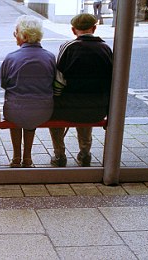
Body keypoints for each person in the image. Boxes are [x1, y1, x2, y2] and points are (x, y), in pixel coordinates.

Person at [50, 13, 113, 167]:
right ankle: (85, 153)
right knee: (86, 110)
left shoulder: (68, 47)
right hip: (97, 109)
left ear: (73, 30)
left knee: (52, 113)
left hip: (68, 107)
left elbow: (59, 80)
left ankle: (59, 155)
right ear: (94, 28)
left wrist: (56, 98)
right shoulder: (106, 49)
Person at [0, 15, 56, 168]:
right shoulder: (50, 57)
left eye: (16, 31)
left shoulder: (11, 58)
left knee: (18, 115)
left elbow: (4, 83)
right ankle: (28, 157)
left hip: (15, 110)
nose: (14, 35)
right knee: (31, 115)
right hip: (42, 111)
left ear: (24, 36)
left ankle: (16, 157)